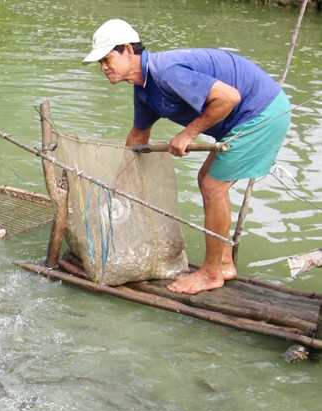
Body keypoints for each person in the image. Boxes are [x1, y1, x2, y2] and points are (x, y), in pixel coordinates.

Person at [82, 19, 291, 295]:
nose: (104, 67)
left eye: (107, 58)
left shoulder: (166, 72)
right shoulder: (144, 91)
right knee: (212, 182)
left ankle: (211, 273)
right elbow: (137, 138)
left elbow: (228, 98)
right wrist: (119, 186)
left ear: (128, 51)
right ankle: (224, 262)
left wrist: (187, 134)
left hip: (262, 113)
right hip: (252, 114)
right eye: (100, 62)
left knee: (211, 184)